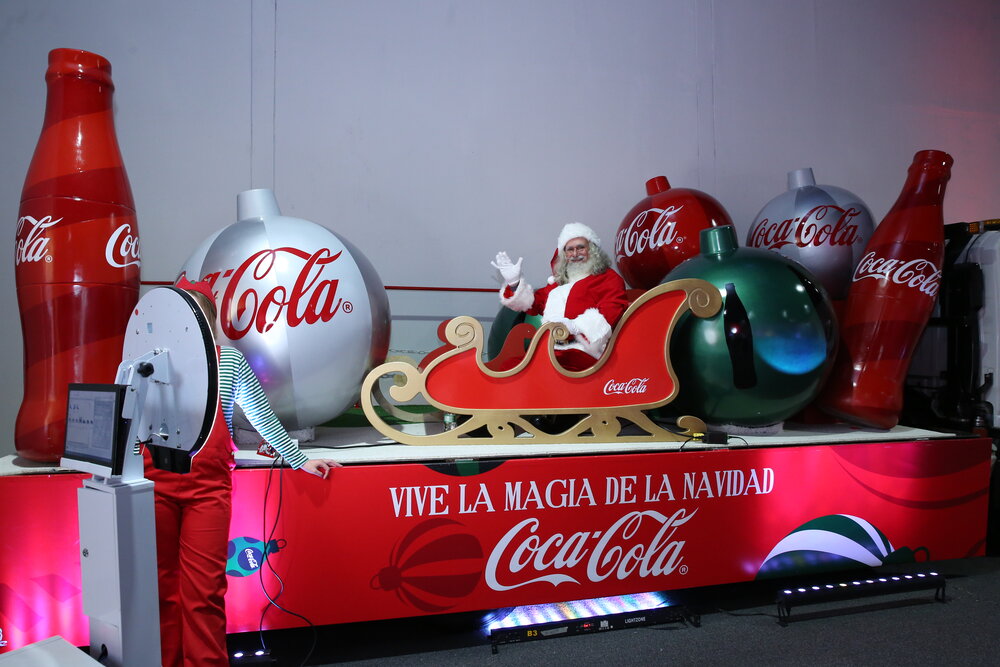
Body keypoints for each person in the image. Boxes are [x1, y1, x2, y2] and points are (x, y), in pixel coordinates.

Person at [143, 276, 340, 667]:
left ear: (209, 318)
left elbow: (261, 415)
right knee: (159, 589)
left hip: (207, 489)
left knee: (204, 592)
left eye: (196, 313)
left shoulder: (228, 360)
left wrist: (298, 458)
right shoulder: (146, 361)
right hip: (153, 485)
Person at [492, 222, 629, 371]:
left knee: (535, 373)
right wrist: (514, 283)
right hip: (551, 350)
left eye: (581, 247)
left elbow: (611, 311)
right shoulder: (558, 284)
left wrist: (574, 327)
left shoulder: (608, 278)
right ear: (564, 254)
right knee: (510, 367)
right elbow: (533, 302)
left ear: (592, 249)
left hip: (586, 353)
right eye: (570, 249)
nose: (575, 254)